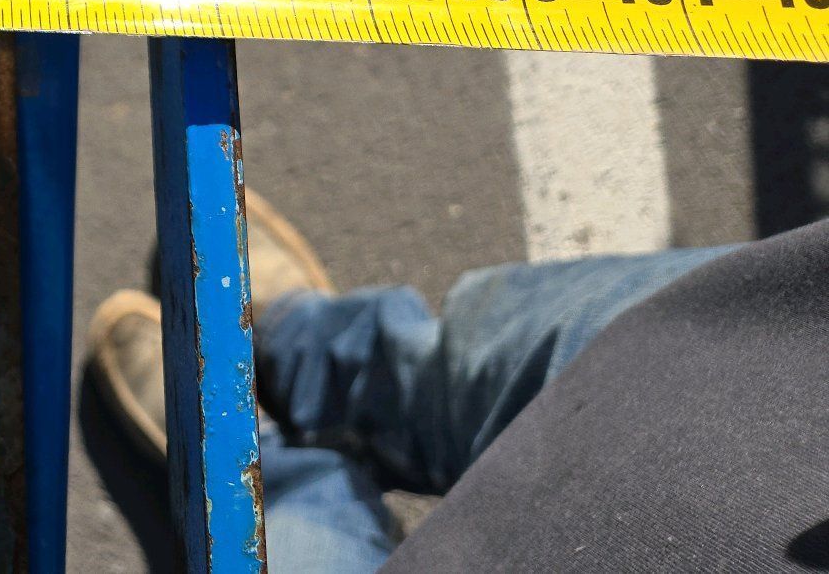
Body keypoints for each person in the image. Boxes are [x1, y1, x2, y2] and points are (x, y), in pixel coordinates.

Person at [88, 194, 829, 570]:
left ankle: (279, 478)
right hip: (779, 345)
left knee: (292, 540)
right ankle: (321, 357)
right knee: (488, 362)